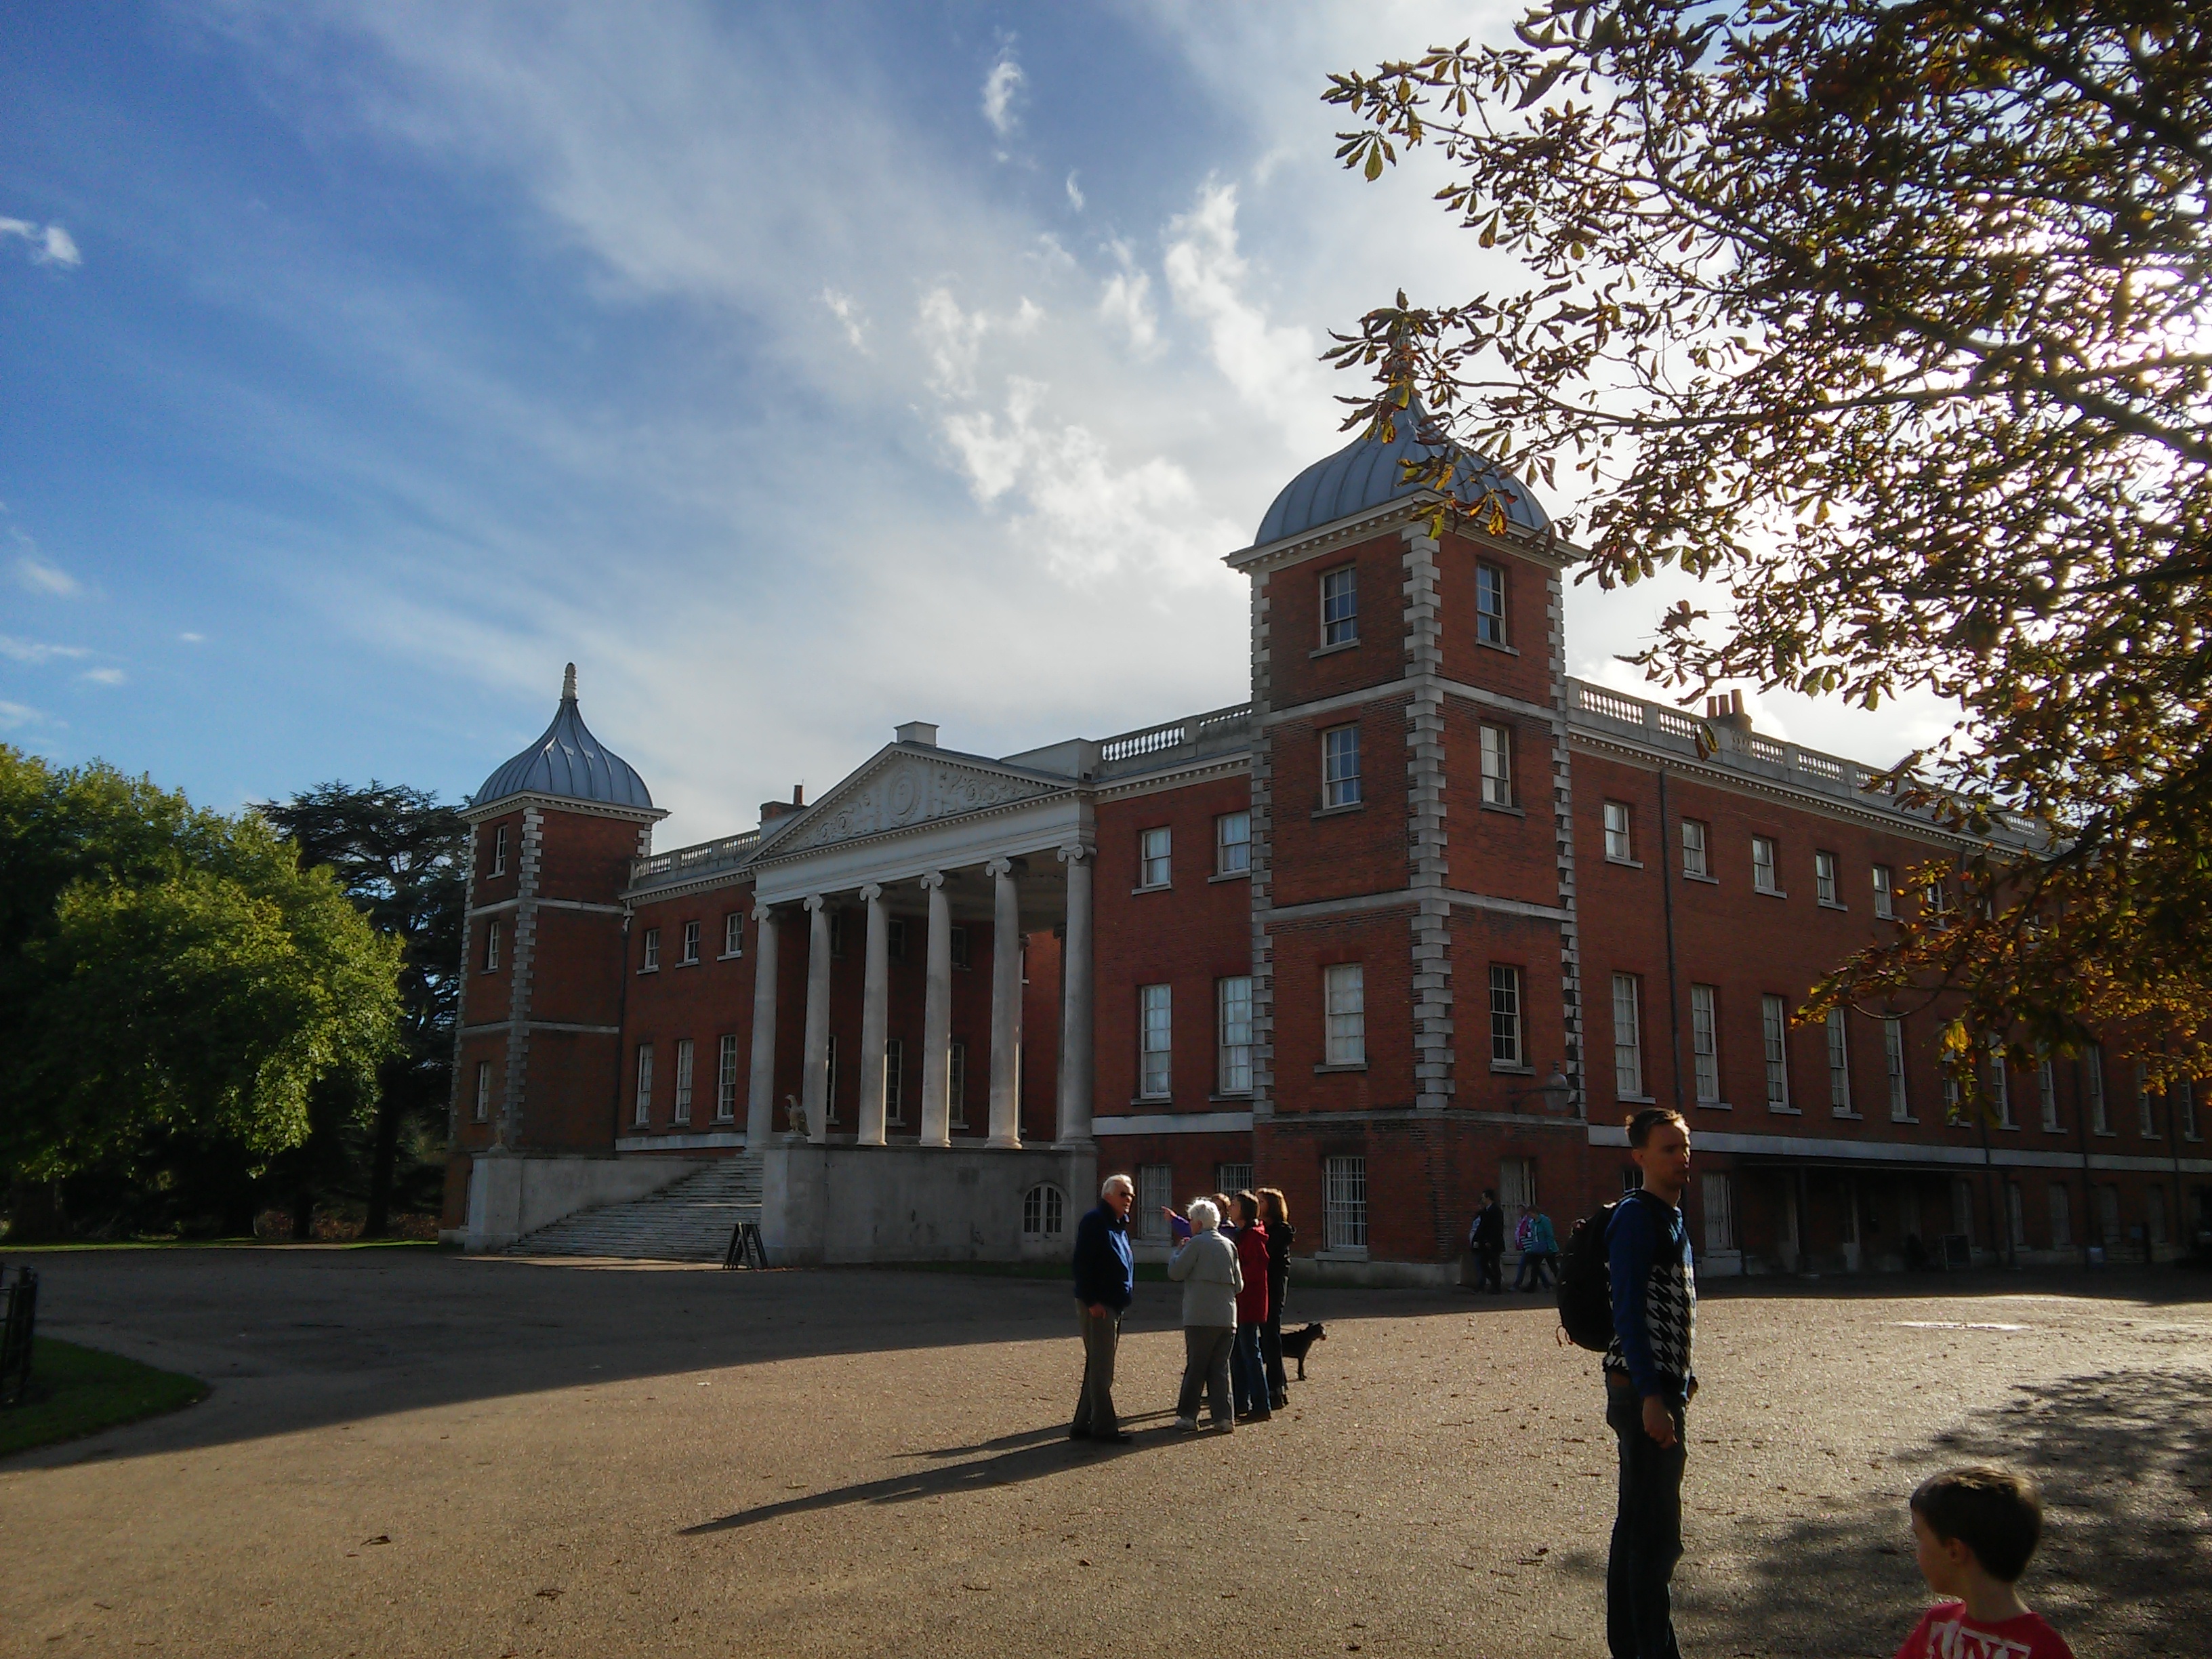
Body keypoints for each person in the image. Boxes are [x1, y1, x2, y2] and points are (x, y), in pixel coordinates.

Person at [1605, 1108, 1697, 1659]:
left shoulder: (1672, 1216)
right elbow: (1629, 1313)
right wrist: (1651, 1396)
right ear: (1640, 1157)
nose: (1682, 1157)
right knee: (1656, 1535)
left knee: (1639, 1526)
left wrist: (1684, 1376)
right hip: (1642, 1392)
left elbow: (1674, 1305)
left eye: (1684, 1147)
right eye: (1669, 1149)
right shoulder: (1637, 1217)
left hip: (1661, 1386)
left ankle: (1635, 1647)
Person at [1896, 1467, 2074, 1659]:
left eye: (1919, 1538)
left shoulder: (2046, 1650)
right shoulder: (1936, 1624)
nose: (1915, 1551)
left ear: (1954, 1551)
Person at [1069, 1172, 1136, 1444]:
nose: (1129, 1199)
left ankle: (1082, 1424)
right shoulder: (1096, 1221)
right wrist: (1092, 1301)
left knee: (1096, 1365)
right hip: (1099, 1304)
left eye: (1131, 1194)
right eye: (1123, 1194)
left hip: (1114, 1303)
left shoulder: (1118, 1225)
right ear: (1108, 1195)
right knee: (1102, 1369)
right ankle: (1105, 1428)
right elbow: (1082, 1264)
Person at [1167, 1197, 1242, 1432]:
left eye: (1191, 1221)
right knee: (1220, 1369)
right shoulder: (1229, 1245)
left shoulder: (1196, 1243)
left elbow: (1176, 1272)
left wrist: (1177, 1252)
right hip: (1227, 1316)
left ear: (1198, 1223)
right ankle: (1224, 1418)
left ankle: (1189, 1416)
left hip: (1200, 1315)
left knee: (1197, 1367)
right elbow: (1239, 1285)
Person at [1227, 1191, 1272, 1421]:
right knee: (1238, 1355)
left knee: (1250, 1354)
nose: (1230, 1208)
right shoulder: (1243, 1234)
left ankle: (1261, 1404)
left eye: (1234, 1205)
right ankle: (1241, 1402)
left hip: (1249, 1302)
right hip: (1241, 1302)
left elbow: (1254, 1271)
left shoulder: (1253, 1237)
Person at [1258, 1187, 1294, 1408]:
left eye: (1261, 1201)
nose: (1257, 1204)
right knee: (1266, 1337)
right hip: (1260, 1288)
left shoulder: (1280, 1232)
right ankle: (1276, 1384)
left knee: (1271, 1335)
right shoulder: (1261, 1229)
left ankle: (1276, 1387)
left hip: (1273, 1288)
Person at [1469, 1189, 1505, 1293]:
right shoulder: (1485, 1211)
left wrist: (1491, 1241)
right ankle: (1494, 1283)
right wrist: (1477, 1240)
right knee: (1483, 1263)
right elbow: (1482, 1227)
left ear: (1488, 1198)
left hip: (1494, 1243)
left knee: (1494, 1265)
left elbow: (1497, 1228)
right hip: (1484, 1243)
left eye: (1484, 1197)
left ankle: (1497, 1287)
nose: (1483, 1200)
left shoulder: (1496, 1211)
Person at [1517, 1208, 1559, 1290]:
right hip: (1538, 1248)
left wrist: (1549, 1247)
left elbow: (1549, 1234)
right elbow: (1534, 1235)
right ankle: (1532, 1286)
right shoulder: (1533, 1223)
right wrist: (1528, 1235)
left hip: (1548, 1247)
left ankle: (1562, 1283)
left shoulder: (1545, 1221)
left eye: (1530, 1214)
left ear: (1535, 1213)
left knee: (1553, 1266)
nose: (1530, 1216)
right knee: (1535, 1266)